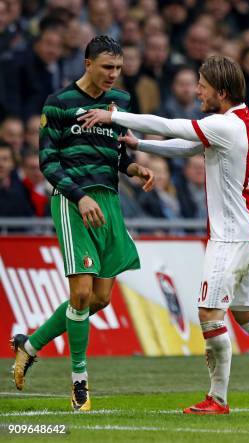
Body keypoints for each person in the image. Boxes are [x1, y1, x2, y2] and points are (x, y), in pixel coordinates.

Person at [78, 54, 249, 414]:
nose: (197, 91)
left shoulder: (225, 125)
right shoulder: (243, 121)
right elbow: (190, 147)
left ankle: (217, 399)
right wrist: (140, 145)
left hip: (231, 236)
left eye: (202, 85)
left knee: (209, 314)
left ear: (221, 90)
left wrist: (114, 116)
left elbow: (172, 126)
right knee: (248, 314)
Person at [10, 36, 155, 412]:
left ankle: (29, 347)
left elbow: (116, 154)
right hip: (73, 201)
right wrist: (79, 196)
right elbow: (48, 162)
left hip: (109, 201)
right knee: (80, 296)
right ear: (87, 63)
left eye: (119, 68)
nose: (114, 75)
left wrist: (134, 168)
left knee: (100, 299)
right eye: (107, 67)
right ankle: (79, 385)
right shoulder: (57, 104)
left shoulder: (120, 102)